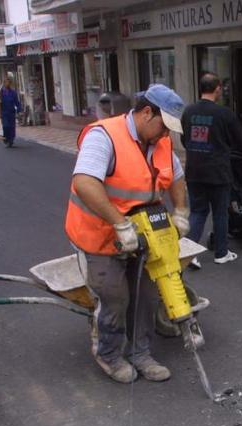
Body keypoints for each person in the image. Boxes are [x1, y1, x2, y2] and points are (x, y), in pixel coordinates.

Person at [64, 84, 190, 384]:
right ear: (147, 113)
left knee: (146, 294)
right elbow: (84, 182)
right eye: (164, 126)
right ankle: (109, 355)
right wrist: (120, 224)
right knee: (115, 296)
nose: (166, 135)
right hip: (100, 233)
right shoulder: (104, 136)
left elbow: (177, 178)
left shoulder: (161, 142)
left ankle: (141, 353)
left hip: (144, 231)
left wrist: (181, 211)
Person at [180, 72, 242, 268]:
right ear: (217, 88)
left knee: (198, 212)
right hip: (218, 171)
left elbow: (184, 140)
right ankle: (221, 253)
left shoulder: (188, 112)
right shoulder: (225, 114)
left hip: (194, 170)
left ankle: (191, 253)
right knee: (220, 212)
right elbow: (240, 143)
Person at [0, 77, 22, 148]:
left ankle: (11, 140)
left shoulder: (13, 92)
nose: (8, 84)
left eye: (9, 82)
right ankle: (6, 138)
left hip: (11, 112)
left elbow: (17, 102)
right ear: (4, 83)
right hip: (4, 112)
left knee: (12, 127)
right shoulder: (0, 91)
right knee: (6, 126)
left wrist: (19, 110)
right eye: (7, 82)